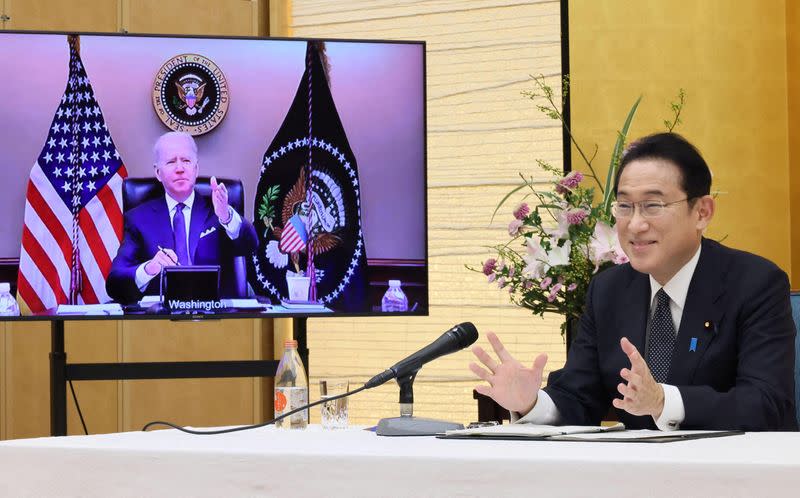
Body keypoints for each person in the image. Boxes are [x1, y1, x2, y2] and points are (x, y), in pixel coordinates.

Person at [471, 132, 797, 431]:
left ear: (702, 212)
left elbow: (766, 404)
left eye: (652, 206)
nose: (635, 224)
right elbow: (580, 397)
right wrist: (532, 402)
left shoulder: (755, 284)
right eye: (625, 206)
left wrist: (663, 402)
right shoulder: (609, 291)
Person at [107, 132, 258, 304]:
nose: (180, 168)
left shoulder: (218, 211)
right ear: (158, 172)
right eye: (171, 162)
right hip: (160, 323)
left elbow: (251, 245)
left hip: (216, 318)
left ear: (196, 169)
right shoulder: (139, 219)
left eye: (186, 161)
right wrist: (149, 269)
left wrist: (226, 217)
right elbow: (115, 283)